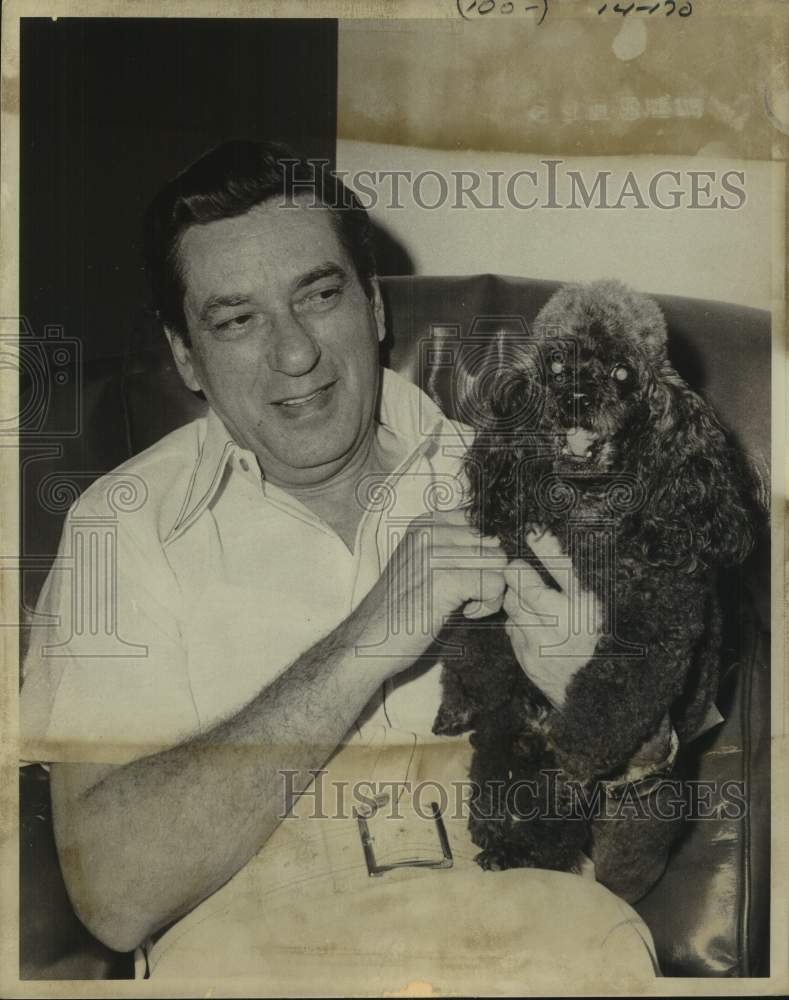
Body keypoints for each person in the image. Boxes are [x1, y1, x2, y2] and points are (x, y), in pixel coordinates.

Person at [21, 140, 673, 988]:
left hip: (523, 941)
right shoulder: (123, 526)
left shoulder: (543, 492)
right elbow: (113, 897)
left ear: (370, 305)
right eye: (236, 320)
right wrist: (370, 636)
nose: (294, 354)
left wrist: (622, 732)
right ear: (186, 357)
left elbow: (635, 869)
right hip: (259, 960)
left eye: (317, 296)